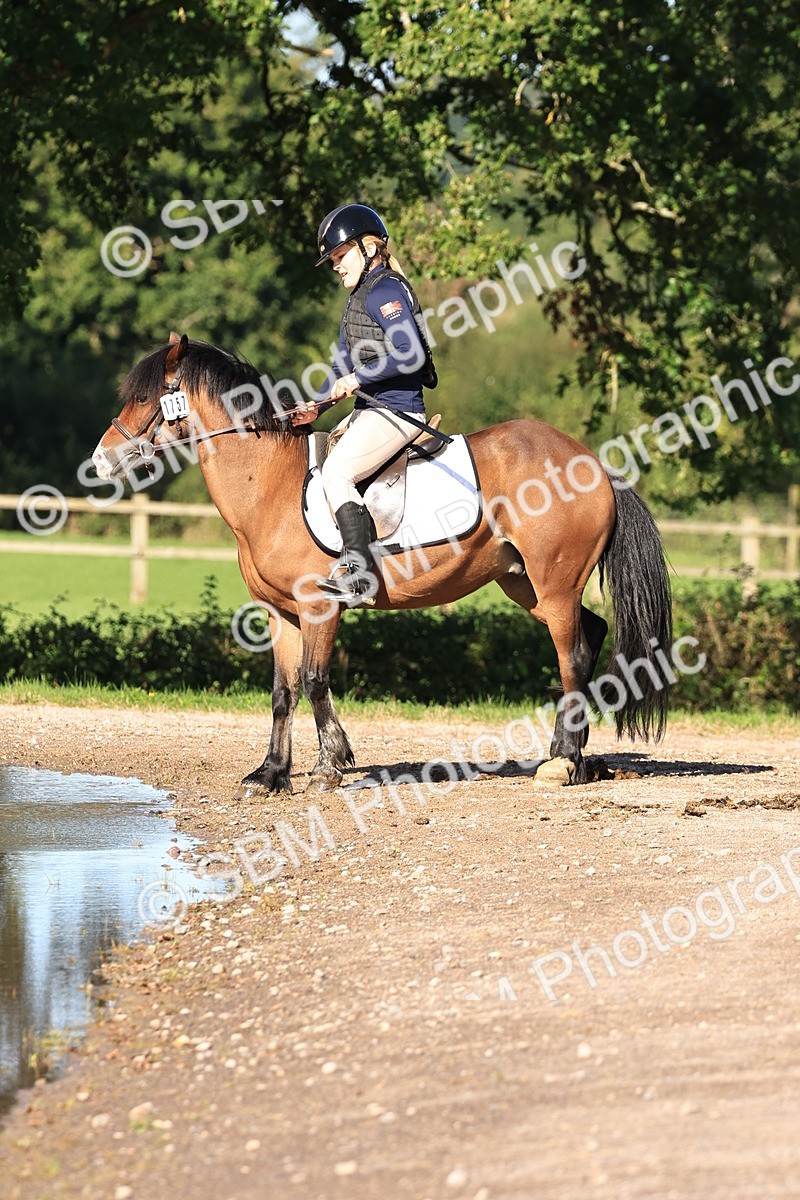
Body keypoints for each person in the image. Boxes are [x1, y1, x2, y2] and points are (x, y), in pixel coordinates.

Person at [290, 203, 436, 606]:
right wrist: (316, 407)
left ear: (367, 247)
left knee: (336, 473)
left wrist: (358, 379)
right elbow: (340, 365)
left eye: (339, 256)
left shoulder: (386, 290)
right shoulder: (358, 299)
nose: (335, 266)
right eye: (333, 260)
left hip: (398, 411)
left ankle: (360, 575)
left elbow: (411, 355)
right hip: (370, 412)